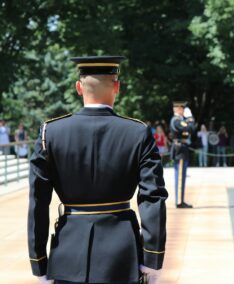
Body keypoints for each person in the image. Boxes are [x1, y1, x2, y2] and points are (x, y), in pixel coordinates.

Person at [28, 56, 168, 284]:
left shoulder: (50, 133)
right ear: (117, 87)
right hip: (122, 254)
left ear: (78, 88)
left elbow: (38, 201)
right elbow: (153, 197)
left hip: (67, 253)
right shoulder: (138, 132)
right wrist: (152, 259)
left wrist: (39, 261)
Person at [170, 101, 195, 208]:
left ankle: (181, 200)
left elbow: (191, 130)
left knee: (182, 176)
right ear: (178, 109)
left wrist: (188, 120)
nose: (184, 110)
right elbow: (189, 128)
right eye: (183, 108)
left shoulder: (180, 120)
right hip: (179, 149)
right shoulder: (176, 120)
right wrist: (190, 118)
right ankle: (179, 201)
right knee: (180, 176)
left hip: (182, 149)